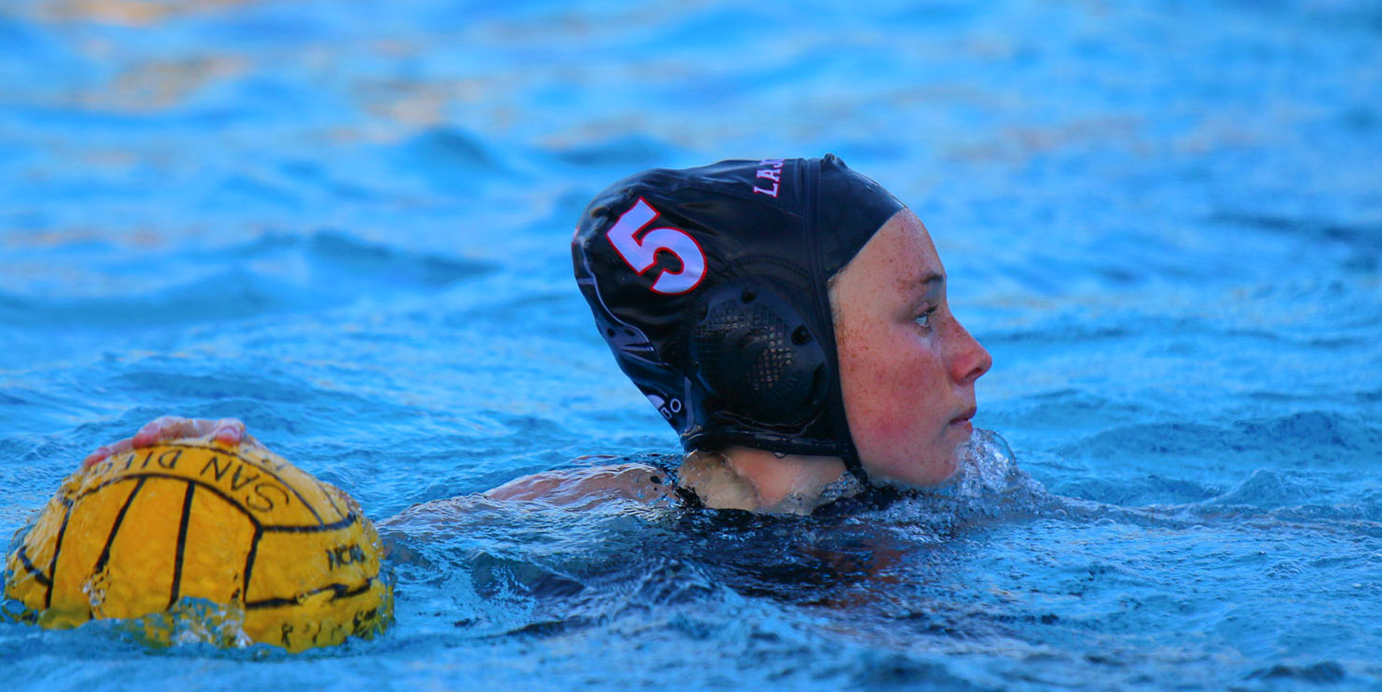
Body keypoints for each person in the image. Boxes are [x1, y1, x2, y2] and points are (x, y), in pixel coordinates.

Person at [86, 156, 991, 518]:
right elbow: (366, 550)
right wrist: (218, 488)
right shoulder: (619, 513)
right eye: (923, 316)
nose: (972, 354)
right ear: (776, 356)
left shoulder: (981, 488)